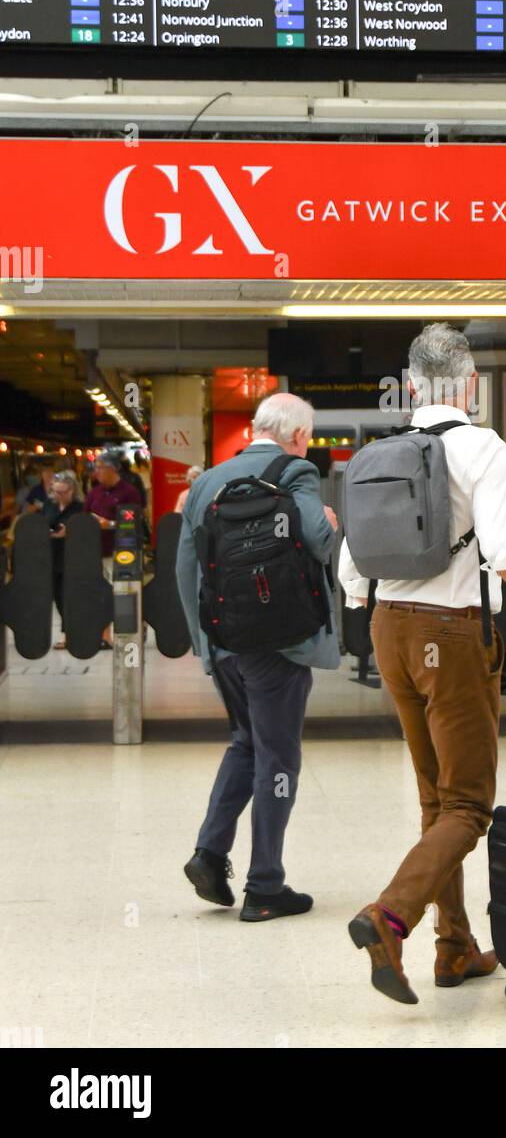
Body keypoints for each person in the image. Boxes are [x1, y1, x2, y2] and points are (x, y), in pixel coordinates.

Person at [338, 324, 506, 1006]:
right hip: (450, 638)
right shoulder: (481, 446)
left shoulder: (379, 454)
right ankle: (389, 918)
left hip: (387, 631)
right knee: (468, 804)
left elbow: (350, 571)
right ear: (471, 384)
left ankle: (453, 951)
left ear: (413, 385)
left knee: (436, 799)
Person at [175, 393, 340, 924]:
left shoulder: (205, 483)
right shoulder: (296, 472)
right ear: (298, 436)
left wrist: (206, 644)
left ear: (256, 428)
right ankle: (265, 885)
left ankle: (208, 854)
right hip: (280, 643)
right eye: (308, 437)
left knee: (247, 742)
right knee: (279, 758)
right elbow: (317, 539)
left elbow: (185, 569)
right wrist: (331, 522)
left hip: (225, 641)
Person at [83, 452, 142, 649]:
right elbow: (84, 516)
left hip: (121, 553)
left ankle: (129, 631)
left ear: (112, 468)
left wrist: (109, 523)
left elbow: (132, 522)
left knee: (122, 593)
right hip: (97, 552)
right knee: (100, 594)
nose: (96, 472)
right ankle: (104, 634)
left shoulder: (129, 492)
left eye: (100, 468)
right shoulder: (95, 492)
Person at [44, 470, 85, 651]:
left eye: (65, 492)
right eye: (57, 492)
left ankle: (71, 635)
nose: (61, 496)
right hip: (52, 556)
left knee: (70, 596)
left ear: (73, 490)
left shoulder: (79, 507)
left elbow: (85, 529)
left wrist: (69, 531)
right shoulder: (50, 505)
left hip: (73, 556)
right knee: (58, 597)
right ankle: (71, 633)